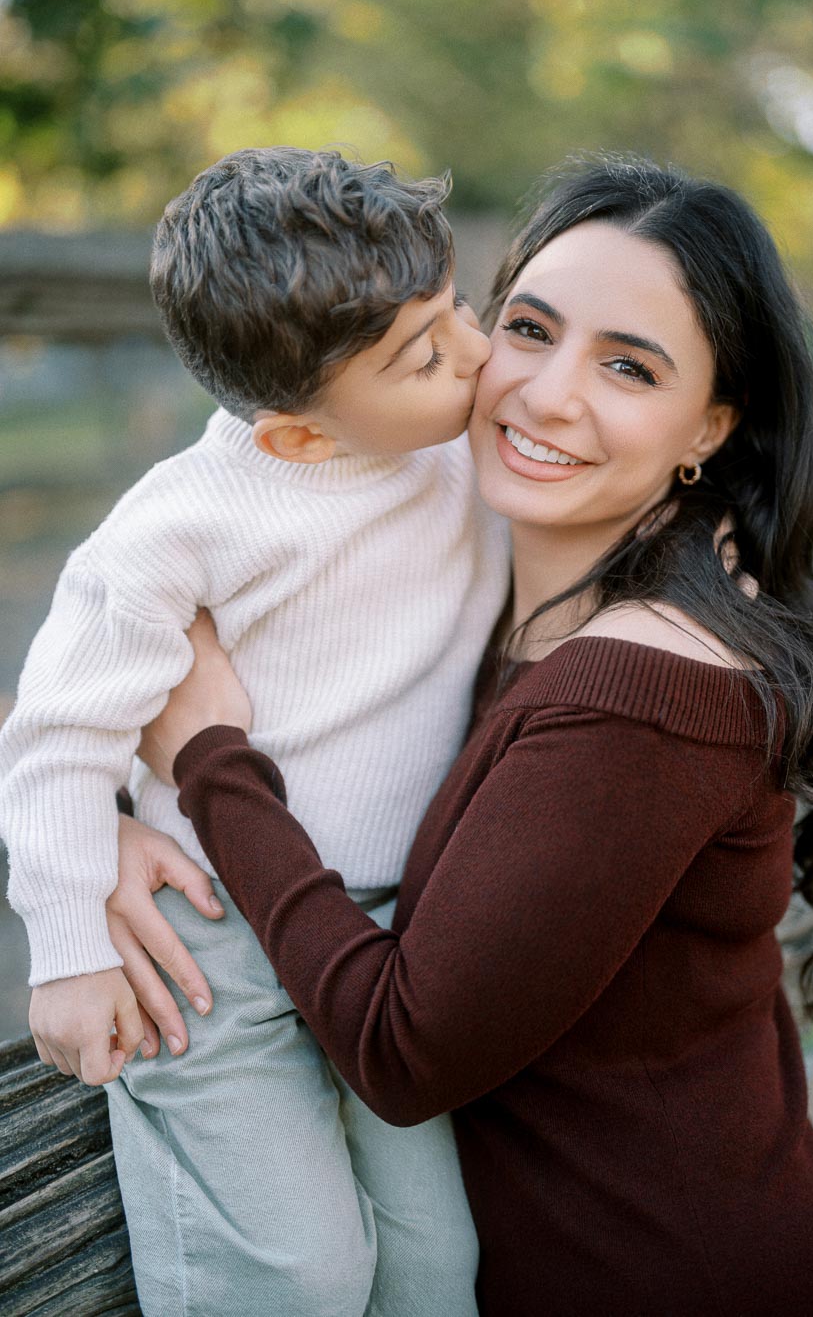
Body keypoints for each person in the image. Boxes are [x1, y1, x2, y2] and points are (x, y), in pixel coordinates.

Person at [115, 154, 813, 1316]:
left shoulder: (642, 694)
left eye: (629, 367)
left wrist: (213, 776)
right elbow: (125, 618)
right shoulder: (500, 566)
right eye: (529, 328)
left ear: (710, 427)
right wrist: (119, 819)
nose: (545, 394)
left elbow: (400, 1051)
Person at [0, 147, 510, 1315]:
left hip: (390, 935)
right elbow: (58, 736)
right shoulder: (177, 532)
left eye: (460, 311)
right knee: (296, 1274)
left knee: (436, 1263)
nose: (475, 356)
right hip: (215, 943)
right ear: (295, 436)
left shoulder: (465, 454)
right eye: (426, 355)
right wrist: (71, 948)